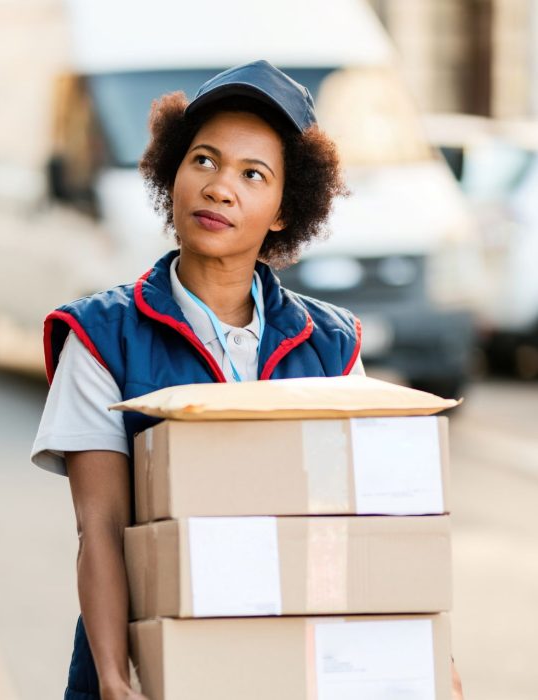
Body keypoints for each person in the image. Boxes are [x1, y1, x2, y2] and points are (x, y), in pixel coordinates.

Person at [31, 60, 462, 700]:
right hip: (157, 671)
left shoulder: (332, 347)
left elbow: (367, 530)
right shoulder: (102, 337)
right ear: (170, 172)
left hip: (293, 666)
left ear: (285, 210)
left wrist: (434, 670)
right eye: (203, 161)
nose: (219, 187)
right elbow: (100, 531)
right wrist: (116, 681)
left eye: (251, 174)